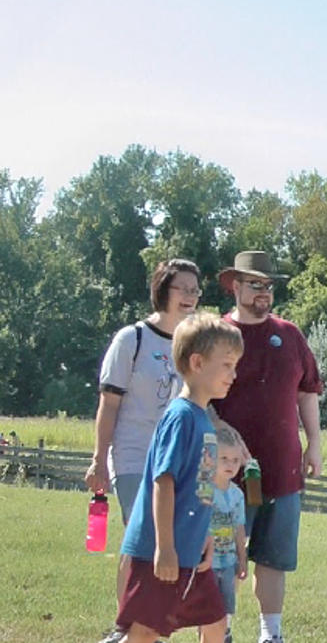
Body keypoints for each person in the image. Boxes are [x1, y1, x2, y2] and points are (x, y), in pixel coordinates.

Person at [86, 258, 202, 643]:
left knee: (165, 537)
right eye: (182, 288)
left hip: (177, 458)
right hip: (135, 454)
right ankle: (125, 627)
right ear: (162, 290)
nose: (190, 296)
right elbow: (109, 404)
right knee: (141, 537)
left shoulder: (197, 345)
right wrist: (98, 459)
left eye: (194, 289)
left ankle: (142, 624)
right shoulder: (132, 339)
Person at [212, 251, 323, 643]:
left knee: (274, 559)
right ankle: (219, 632)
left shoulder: (289, 334)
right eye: (255, 284)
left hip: (282, 468)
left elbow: (308, 391)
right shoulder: (216, 333)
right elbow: (195, 396)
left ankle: (270, 635)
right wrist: (220, 426)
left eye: (269, 285)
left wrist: (314, 445)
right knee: (225, 557)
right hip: (226, 473)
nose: (264, 292)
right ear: (235, 285)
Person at [115, 311, 244, 643]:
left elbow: (198, 487)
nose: (234, 374)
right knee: (145, 632)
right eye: (227, 365)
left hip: (192, 552)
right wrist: (165, 547)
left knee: (216, 622)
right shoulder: (180, 417)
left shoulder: (204, 420)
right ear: (198, 363)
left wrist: (202, 535)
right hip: (161, 552)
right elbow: (164, 482)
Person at [208, 427, 249, 643]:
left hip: (228, 561)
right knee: (206, 610)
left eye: (235, 460)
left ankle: (225, 635)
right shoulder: (204, 491)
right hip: (205, 562)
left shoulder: (237, 495)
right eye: (224, 458)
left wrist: (242, 559)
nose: (230, 465)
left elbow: (239, 529)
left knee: (227, 605)